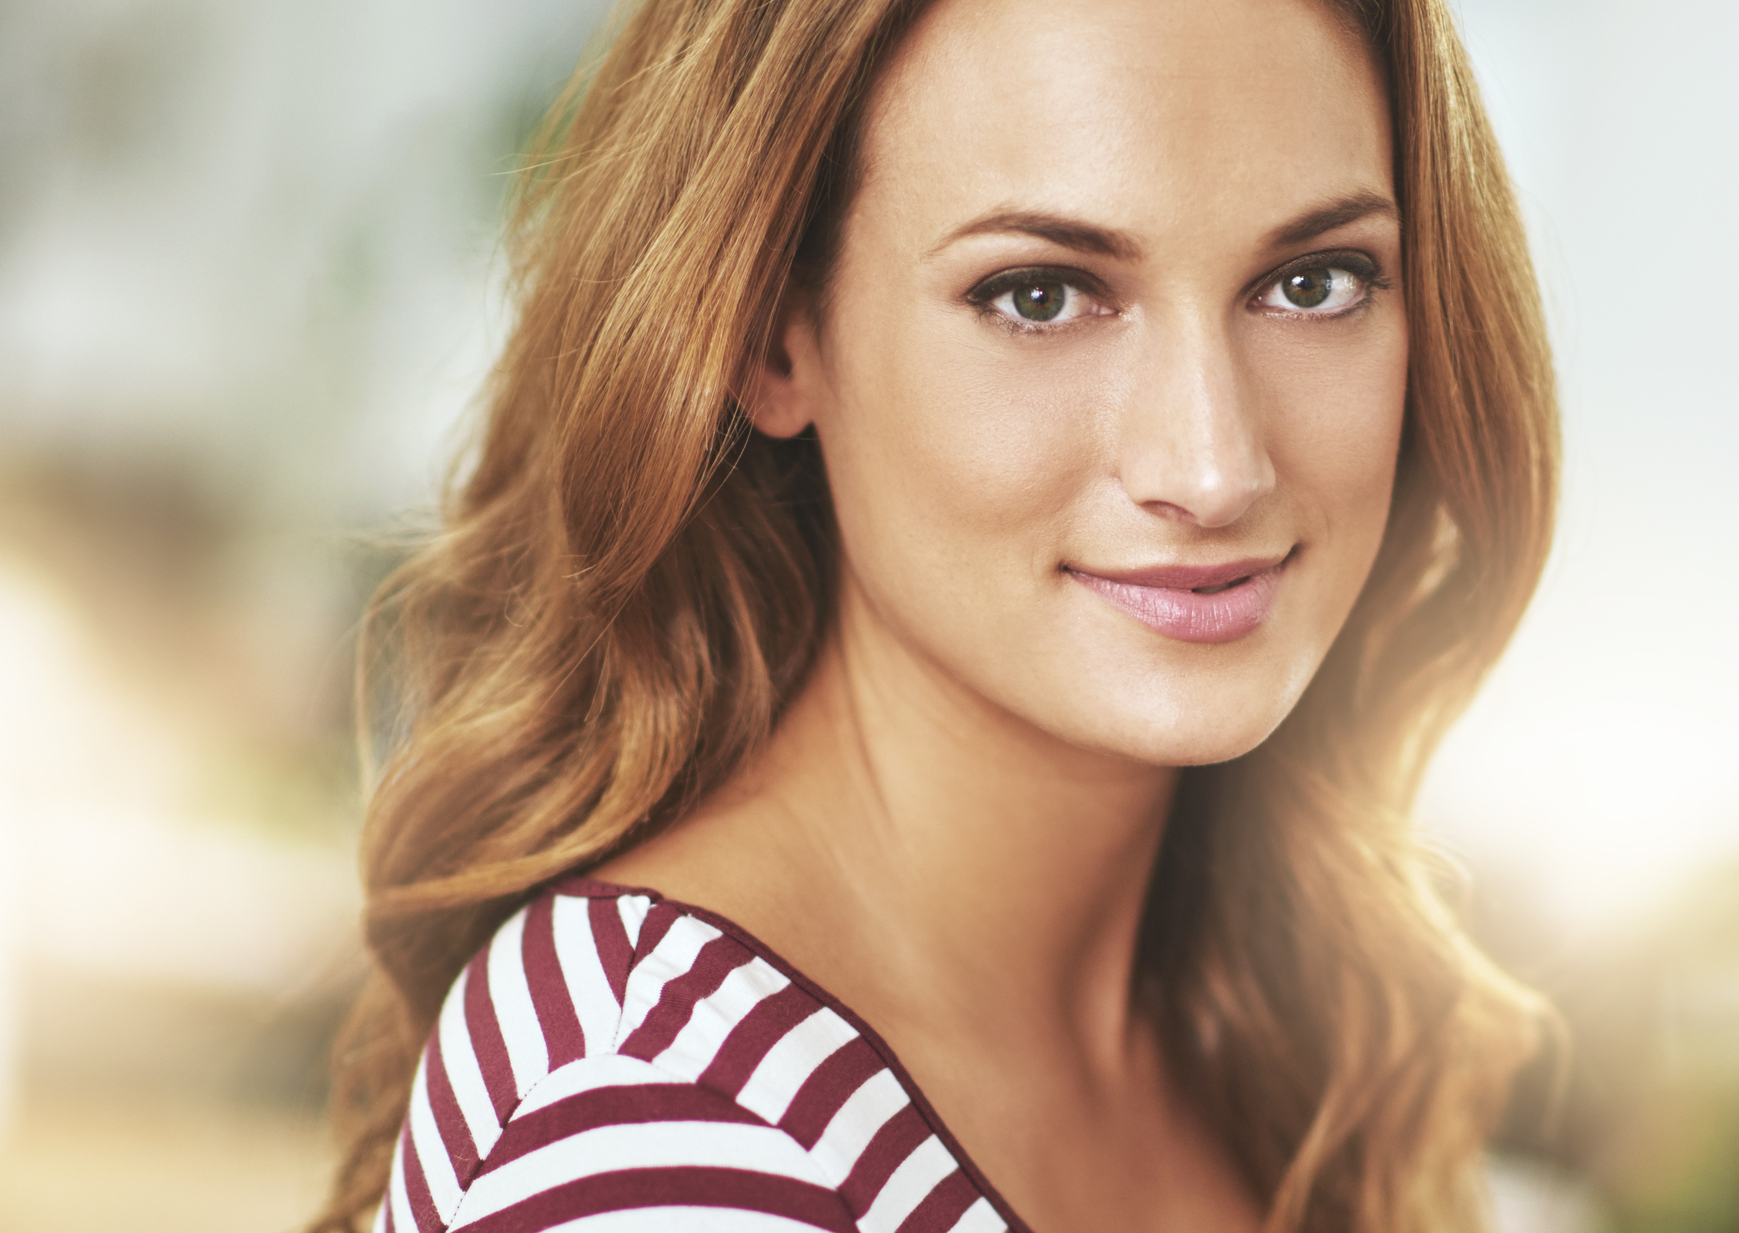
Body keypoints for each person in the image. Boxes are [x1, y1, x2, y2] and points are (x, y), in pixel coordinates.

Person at [313, 0, 1558, 1227]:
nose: (1213, 464)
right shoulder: (656, 1134)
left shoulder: (1268, 1026)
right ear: (769, 333)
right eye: (1038, 295)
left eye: (1312, 282)